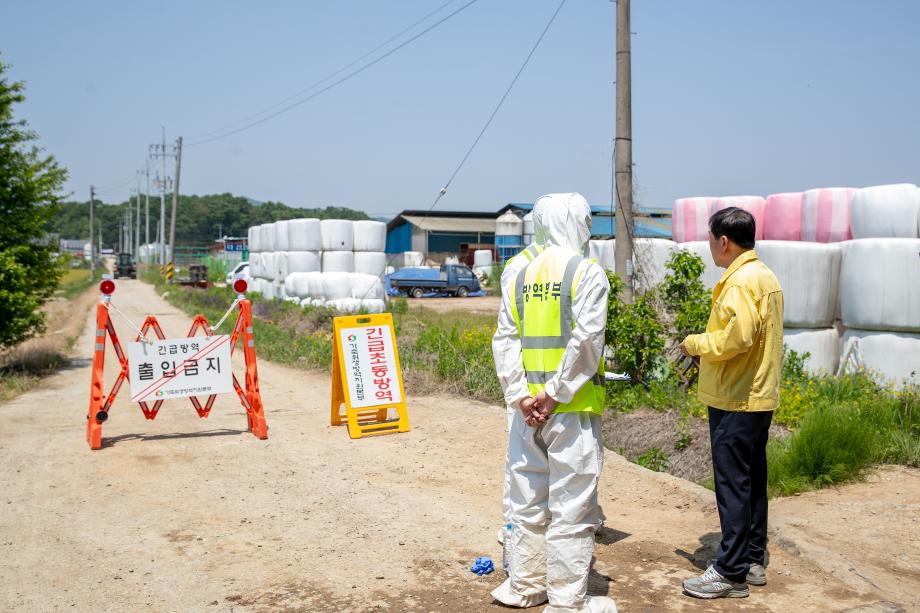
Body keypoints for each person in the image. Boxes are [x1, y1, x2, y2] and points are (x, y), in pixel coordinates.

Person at [491, 192, 617, 613]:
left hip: (526, 414)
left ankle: (525, 586)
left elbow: (505, 339)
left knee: (526, 499)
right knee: (571, 507)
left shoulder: (519, 273)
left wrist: (521, 396)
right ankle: (564, 601)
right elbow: (587, 342)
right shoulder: (587, 272)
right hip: (572, 410)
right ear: (579, 224)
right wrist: (555, 393)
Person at [679, 207, 783, 599]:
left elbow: (735, 339)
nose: (710, 246)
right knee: (752, 480)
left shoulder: (739, 281)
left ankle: (729, 572)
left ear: (724, 241)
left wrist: (695, 343)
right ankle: (752, 558)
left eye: (710, 239)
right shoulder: (765, 276)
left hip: (735, 397)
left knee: (732, 485)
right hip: (758, 395)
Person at [494, 197, 548, 542]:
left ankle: (533, 526)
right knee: (523, 465)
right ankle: (515, 528)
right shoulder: (521, 267)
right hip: (532, 386)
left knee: (536, 465)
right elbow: (508, 335)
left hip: (549, 389)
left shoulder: (566, 264)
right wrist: (518, 393)